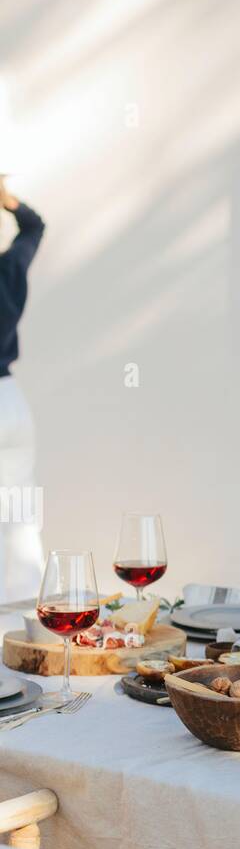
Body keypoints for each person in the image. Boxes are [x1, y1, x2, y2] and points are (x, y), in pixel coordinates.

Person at [0, 180, 45, 603]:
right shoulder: (9, 268)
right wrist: (7, 198)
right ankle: (26, 615)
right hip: (11, 400)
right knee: (19, 511)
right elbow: (34, 226)